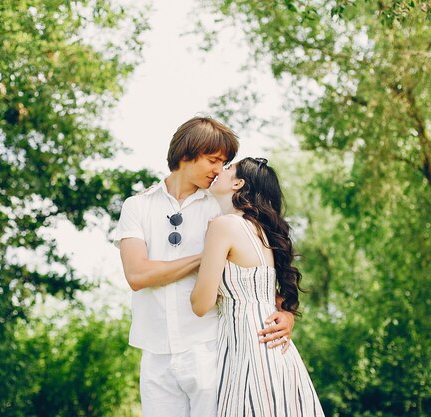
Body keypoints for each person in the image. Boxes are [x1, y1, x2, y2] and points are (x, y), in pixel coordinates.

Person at [113, 117, 295, 417]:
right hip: (155, 351)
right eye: (213, 160)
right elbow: (137, 275)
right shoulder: (138, 206)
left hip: (212, 347)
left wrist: (287, 313)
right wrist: (207, 257)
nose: (218, 170)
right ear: (187, 154)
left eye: (224, 163)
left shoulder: (224, 205)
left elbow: (262, 269)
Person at [191, 156, 324, 417]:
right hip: (277, 350)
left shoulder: (223, 225)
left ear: (238, 183)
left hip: (247, 351)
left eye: (228, 168)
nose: (220, 170)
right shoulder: (262, 231)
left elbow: (200, 304)